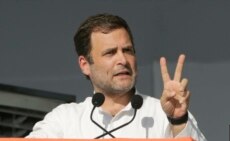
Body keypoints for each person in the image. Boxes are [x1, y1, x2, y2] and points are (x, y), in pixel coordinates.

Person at [26, 13, 207, 140]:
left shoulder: (163, 114)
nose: (123, 60)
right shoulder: (64, 120)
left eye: (127, 50)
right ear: (85, 65)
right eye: (110, 53)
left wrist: (178, 121)